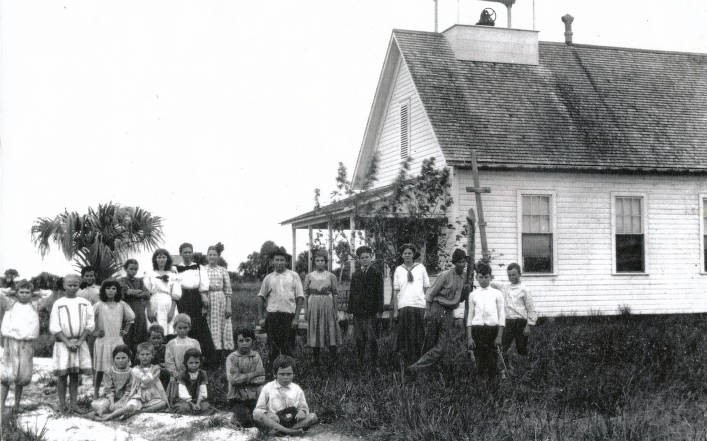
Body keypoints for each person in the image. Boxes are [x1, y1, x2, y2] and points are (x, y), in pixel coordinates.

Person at [406, 249, 471, 375]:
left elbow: (459, 299)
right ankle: (424, 371)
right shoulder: (445, 275)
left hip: (449, 312)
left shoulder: (465, 278)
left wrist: (466, 291)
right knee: (430, 341)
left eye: (464, 262)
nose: (462, 264)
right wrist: (427, 311)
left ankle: (415, 368)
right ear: (455, 263)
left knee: (442, 346)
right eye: (460, 262)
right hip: (436, 308)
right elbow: (430, 293)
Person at [49, 274, 95, 414]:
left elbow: (90, 323)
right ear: (64, 285)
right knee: (62, 376)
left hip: (79, 343)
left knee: (75, 375)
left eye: (75, 284)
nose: (72, 287)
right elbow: (54, 325)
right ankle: (62, 404)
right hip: (63, 344)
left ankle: (74, 404)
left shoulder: (85, 302)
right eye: (69, 284)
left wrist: (80, 341)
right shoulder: (58, 303)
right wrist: (67, 341)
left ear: (79, 285)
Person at [257, 248, 304, 366]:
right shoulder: (268, 278)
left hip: (288, 316)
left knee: (288, 346)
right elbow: (261, 297)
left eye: (282, 260)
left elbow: (300, 298)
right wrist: (261, 318)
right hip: (273, 316)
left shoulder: (294, 276)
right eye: (276, 260)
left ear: (286, 262)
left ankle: (289, 372)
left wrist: (296, 318)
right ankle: (274, 373)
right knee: (273, 347)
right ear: (272, 262)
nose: (279, 262)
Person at [97, 341, 167, 420]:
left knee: (163, 403)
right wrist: (152, 373)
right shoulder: (135, 370)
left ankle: (139, 412)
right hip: (138, 396)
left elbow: (150, 379)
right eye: (142, 355)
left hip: (152, 396)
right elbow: (145, 382)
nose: (145, 357)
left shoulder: (155, 368)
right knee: (130, 406)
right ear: (138, 356)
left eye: (148, 354)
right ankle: (108, 417)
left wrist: (153, 372)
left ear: (152, 356)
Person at [0, 280, 40, 415]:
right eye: (21, 292)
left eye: (27, 292)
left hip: (26, 343)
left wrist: (36, 293)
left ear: (31, 293)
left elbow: (49, 295)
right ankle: (1, 406)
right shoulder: (10, 304)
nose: (24, 295)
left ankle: (17, 405)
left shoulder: (34, 305)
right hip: (11, 342)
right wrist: (10, 291)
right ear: (16, 293)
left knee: (21, 377)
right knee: (6, 375)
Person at [253, 355, 319, 436]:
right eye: (282, 374)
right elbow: (259, 409)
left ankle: (286, 431)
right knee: (256, 414)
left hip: (293, 420)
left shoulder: (297, 389)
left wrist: (302, 412)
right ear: (275, 374)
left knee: (313, 416)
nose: (285, 377)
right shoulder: (268, 388)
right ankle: (289, 432)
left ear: (293, 374)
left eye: (289, 374)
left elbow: (304, 408)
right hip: (275, 421)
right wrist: (269, 414)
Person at [92, 279, 135, 400]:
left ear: (117, 291)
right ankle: (95, 392)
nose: (111, 291)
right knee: (101, 370)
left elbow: (131, 318)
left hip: (117, 341)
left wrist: (125, 330)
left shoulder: (121, 305)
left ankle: (116, 392)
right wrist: (95, 332)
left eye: (114, 288)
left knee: (118, 368)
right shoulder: (99, 305)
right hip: (103, 341)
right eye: (108, 288)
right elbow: (88, 321)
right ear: (103, 290)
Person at [175, 243, 217, 367]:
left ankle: (207, 361)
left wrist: (204, 304)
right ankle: (185, 360)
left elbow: (204, 286)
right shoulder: (176, 269)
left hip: (196, 298)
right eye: (185, 252)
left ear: (192, 253)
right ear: (181, 253)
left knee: (200, 327)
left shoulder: (199, 268)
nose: (187, 254)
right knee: (184, 326)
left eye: (189, 252)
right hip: (182, 298)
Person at [491, 263, 537, 366]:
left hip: (521, 322)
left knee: (521, 347)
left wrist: (528, 326)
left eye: (514, 274)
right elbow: (492, 284)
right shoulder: (505, 287)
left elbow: (531, 309)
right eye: (509, 275)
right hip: (508, 322)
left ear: (520, 274)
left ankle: (523, 368)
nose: (511, 277)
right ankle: (506, 367)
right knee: (504, 346)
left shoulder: (525, 289)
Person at [467, 261, 505, 381]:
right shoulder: (473, 294)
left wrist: (499, 335)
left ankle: (493, 384)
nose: (483, 280)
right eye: (481, 277)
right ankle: (480, 386)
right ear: (476, 277)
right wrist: (469, 337)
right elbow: (470, 316)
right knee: (479, 359)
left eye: (486, 277)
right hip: (477, 329)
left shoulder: (497, 294)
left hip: (492, 330)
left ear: (491, 277)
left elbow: (501, 315)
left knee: (492, 359)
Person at [392, 244, 430, 365]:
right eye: (405, 253)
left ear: (413, 255)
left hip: (419, 305)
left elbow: (426, 287)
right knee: (406, 335)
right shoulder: (398, 270)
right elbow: (396, 291)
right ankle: (406, 363)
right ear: (402, 255)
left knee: (419, 335)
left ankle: (420, 362)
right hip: (404, 306)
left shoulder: (421, 268)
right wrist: (396, 310)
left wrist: (424, 303)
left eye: (409, 253)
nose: (407, 255)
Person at [303, 251, 342, 366]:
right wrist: (306, 310)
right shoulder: (309, 276)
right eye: (317, 261)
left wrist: (336, 310)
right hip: (314, 305)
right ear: (314, 262)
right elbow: (305, 294)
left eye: (322, 261)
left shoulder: (331, 276)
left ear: (326, 262)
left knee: (330, 329)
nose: (320, 263)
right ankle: (316, 360)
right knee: (315, 329)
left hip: (327, 304)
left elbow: (335, 294)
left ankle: (333, 360)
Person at [348, 246, 384, 364]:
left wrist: (379, 310)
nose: (364, 259)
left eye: (367, 257)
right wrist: (350, 311)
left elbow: (380, 293)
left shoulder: (377, 273)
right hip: (358, 312)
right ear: (359, 260)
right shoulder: (356, 275)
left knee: (371, 337)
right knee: (359, 338)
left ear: (371, 258)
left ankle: (374, 362)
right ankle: (360, 360)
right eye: (362, 258)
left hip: (370, 311)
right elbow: (352, 293)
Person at [226, 326, 266, 427]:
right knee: (246, 422)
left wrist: (243, 378)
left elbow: (261, 378)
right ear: (236, 342)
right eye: (241, 340)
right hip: (237, 398)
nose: (244, 343)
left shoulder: (256, 356)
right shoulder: (232, 358)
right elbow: (234, 380)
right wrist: (254, 374)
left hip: (253, 397)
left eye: (247, 340)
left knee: (259, 419)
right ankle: (235, 418)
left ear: (252, 341)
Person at [205, 245, 234, 362]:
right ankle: (210, 356)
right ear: (207, 256)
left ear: (218, 256)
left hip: (220, 300)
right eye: (210, 254)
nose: (212, 257)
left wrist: (228, 306)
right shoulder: (203, 269)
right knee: (209, 326)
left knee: (223, 326)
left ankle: (223, 358)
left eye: (214, 255)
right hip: (207, 300)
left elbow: (228, 291)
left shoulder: (223, 270)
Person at [164, 314, 201, 406]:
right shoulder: (171, 343)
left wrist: (193, 370)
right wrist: (176, 373)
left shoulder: (194, 342)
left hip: (192, 372)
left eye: (185, 328)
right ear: (175, 328)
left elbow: (198, 358)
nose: (182, 330)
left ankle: (194, 400)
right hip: (177, 374)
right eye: (180, 328)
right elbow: (169, 361)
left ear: (189, 328)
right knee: (179, 396)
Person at [144, 249, 182, 335]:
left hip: (168, 304)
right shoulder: (150, 274)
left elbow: (176, 294)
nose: (161, 259)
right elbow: (146, 293)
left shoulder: (173, 275)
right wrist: (149, 310)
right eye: (159, 257)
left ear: (167, 259)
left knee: (169, 330)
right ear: (155, 259)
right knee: (154, 330)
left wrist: (172, 311)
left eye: (164, 257)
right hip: (153, 303)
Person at [90, 345, 133, 418]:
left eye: (123, 358)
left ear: (129, 358)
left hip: (125, 398)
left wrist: (120, 402)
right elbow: (109, 389)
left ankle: (114, 414)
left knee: (128, 407)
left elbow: (129, 391)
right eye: (117, 358)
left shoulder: (132, 372)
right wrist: (112, 403)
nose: (120, 361)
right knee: (96, 404)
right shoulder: (109, 371)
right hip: (111, 399)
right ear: (113, 359)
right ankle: (105, 412)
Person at [119, 259, 150, 356]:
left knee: (140, 331)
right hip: (127, 309)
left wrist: (134, 292)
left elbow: (147, 293)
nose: (133, 271)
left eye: (136, 269)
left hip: (139, 310)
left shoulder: (140, 281)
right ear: (125, 269)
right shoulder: (121, 280)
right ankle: (128, 357)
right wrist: (137, 292)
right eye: (131, 269)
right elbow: (126, 292)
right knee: (128, 333)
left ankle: (139, 358)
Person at [172, 348, 211, 414]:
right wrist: (192, 404)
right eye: (191, 363)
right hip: (184, 400)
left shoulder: (202, 373)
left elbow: (203, 390)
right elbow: (182, 392)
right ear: (186, 363)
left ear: (200, 362)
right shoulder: (182, 374)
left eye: (197, 362)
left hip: (198, 399)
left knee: (206, 407)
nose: (194, 365)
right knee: (183, 408)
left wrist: (198, 403)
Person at [147, 324, 170, 389]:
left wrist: (164, 364)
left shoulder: (166, 348)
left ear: (163, 338)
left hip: (162, 372)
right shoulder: (147, 349)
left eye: (158, 338)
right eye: (154, 338)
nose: (156, 340)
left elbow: (168, 360)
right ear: (149, 339)